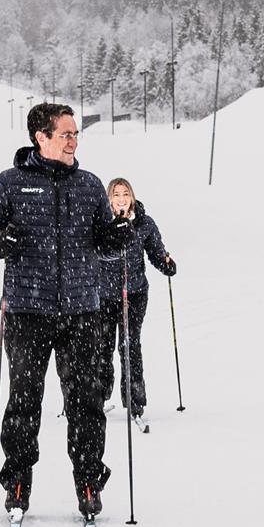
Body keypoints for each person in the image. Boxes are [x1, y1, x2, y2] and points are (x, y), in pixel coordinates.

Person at [0, 103, 134, 518]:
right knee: (25, 400)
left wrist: (116, 237)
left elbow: (103, 241)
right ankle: (18, 480)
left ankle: (88, 480)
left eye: (75, 133)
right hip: (27, 312)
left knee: (85, 400)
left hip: (82, 311)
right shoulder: (10, 184)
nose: (73, 140)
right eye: (65, 134)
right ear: (40, 137)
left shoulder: (89, 184)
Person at [97, 178, 177, 430]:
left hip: (135, 293)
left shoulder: (143, 224)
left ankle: (135, 402)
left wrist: (165, 263)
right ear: (109, 199)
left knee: (130, 346)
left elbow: (156, 251)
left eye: (125, 194)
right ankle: (98, 397)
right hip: (103, 295)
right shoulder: (101, 223)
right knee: (102, 347)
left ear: (132, 197)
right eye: (116, 195)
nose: (121, 199)